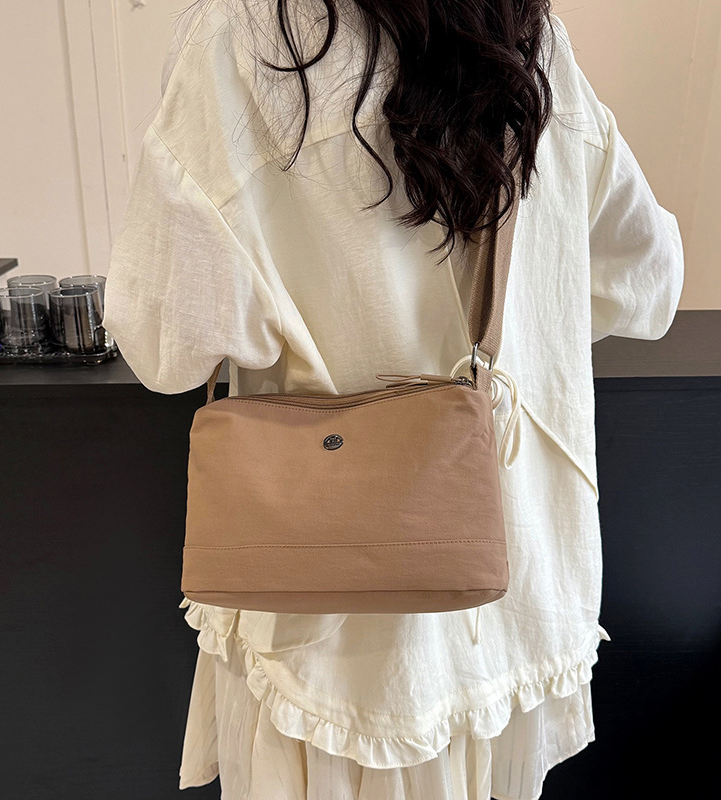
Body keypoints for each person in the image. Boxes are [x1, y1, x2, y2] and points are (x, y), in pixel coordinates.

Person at [101, 1, 685, 798]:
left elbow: (166, 343)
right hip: (506, 600)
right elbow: (645, 279)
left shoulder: (252, 34)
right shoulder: (525, 34)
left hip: (326, 628)